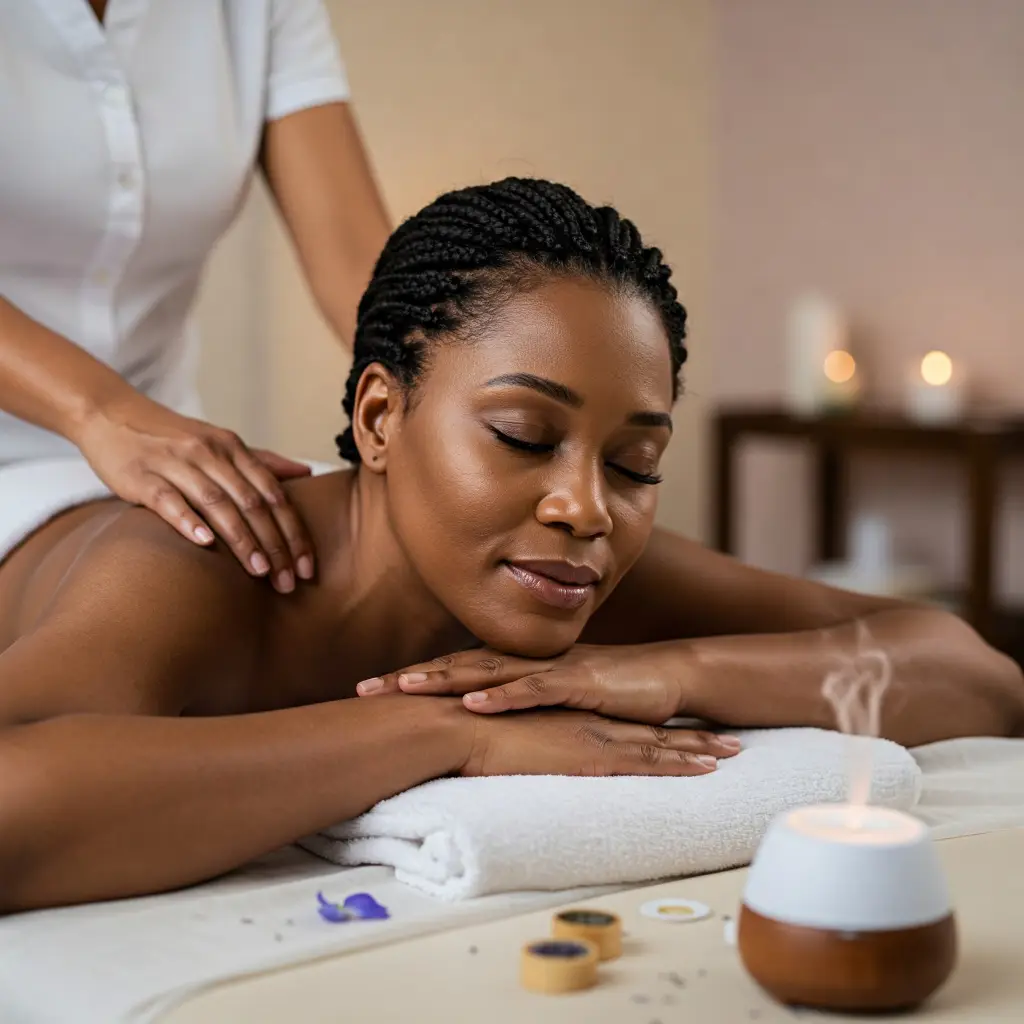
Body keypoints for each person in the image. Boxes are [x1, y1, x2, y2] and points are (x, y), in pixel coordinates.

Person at [0, 177, 1020, 915]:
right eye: (522, 436)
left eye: (635, 463)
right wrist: (446, 733)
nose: (586, 506)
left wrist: (660, 672)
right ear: (378, 416)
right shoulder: (188, 570)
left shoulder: (579, 572)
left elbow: (969, 673)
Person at [0, 0, 391, 594]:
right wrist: (102, 413)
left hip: (161, 447)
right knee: (164, 586)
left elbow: (354, 258)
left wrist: (456, 399)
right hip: (93, 447)